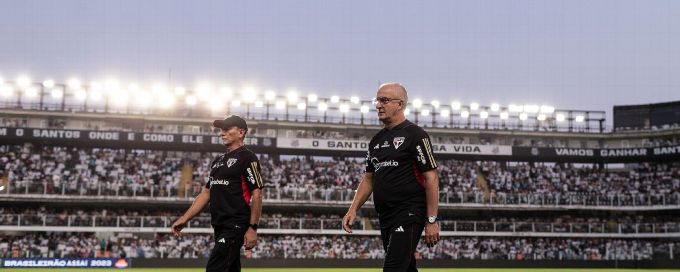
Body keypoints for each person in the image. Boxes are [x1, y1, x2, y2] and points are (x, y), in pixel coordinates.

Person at [342, 83, 440, 272]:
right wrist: (353, 209)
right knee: (406, 268)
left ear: (400, 104)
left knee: (393, 269)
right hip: (386, 216)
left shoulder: (416, 135)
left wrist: (431, 220)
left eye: (384, 100)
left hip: (409, 212)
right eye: (377, 100)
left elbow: (432, 179)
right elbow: (368, 178)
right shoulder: (376, 141)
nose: (378, 105)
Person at [171, 115, 264, 272]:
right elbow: (206, 193)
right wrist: (184, 218)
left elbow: (257, 193)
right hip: (219, 225)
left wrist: (252, 228)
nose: (222, 133)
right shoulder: (218, 161)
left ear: (241, 132)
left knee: (215, 268)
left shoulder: (248, 158)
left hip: (235, 224)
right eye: (221, 130)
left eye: (227, 130)